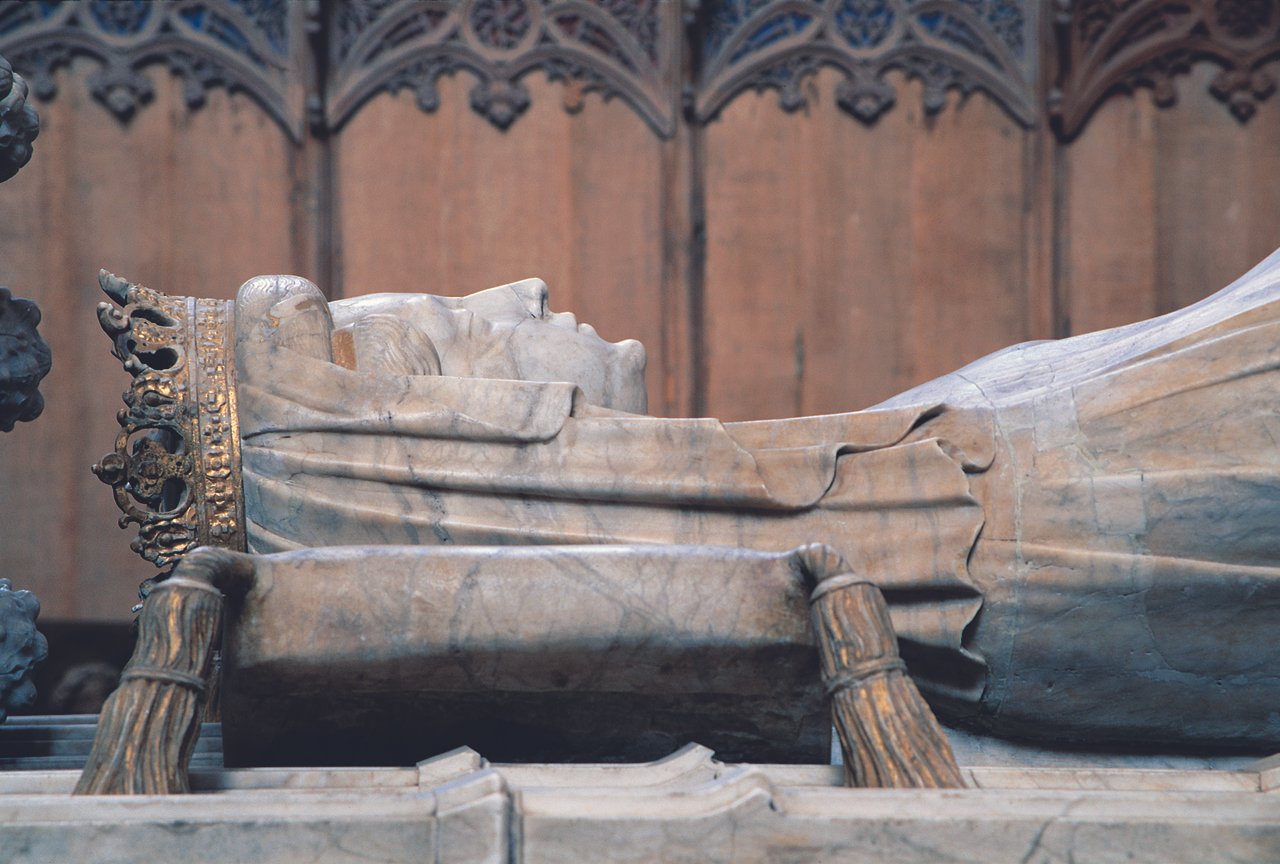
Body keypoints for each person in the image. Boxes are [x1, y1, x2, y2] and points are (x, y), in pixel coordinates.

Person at [230, 251, 1280, 750]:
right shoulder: (985, 529)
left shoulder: (912, 475)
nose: (520, 293)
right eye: (446, 335)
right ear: (445, 460)